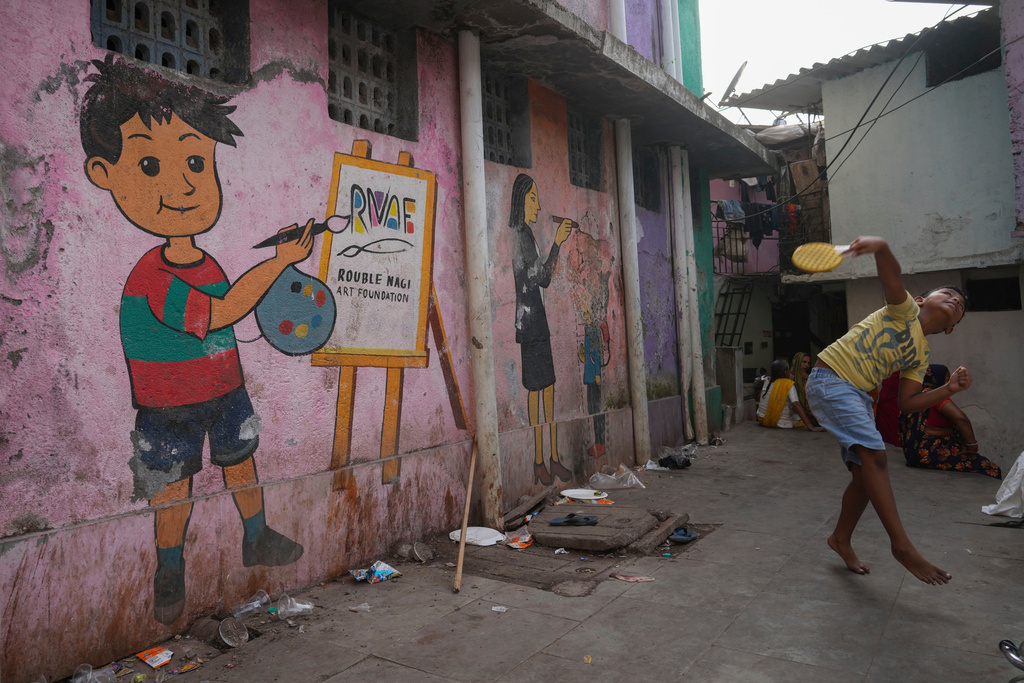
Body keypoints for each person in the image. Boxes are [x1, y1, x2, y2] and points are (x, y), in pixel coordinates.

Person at [81, 56, 312, 624]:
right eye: (151, 164)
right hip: (167, 406)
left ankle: (255, 536)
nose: (183, 183)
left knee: (241, 462)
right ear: (103, 173)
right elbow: (225, 310)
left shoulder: (204, 260)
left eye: (194, 161)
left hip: (224, 389)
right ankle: (169, 570)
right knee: (172, 488)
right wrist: (282, 263)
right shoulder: (153, 276)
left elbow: (229, 320)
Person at [805, 236, 969, 586]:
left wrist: (948, 389)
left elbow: (908, 403)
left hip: (858, 395)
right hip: (830, 379)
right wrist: (881, 247)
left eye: (959, 305)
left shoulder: (921, 356)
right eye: (949, 294)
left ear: (951, 327)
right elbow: (892, 276)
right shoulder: (904, 309)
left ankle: (840, 539)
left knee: (866, 479)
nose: (955, 300)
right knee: (876, 458)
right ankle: (902, 547)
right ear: (923, 299)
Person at [508, 173, 574, 484]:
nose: (537, 205)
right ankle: (540, 461)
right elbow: (542, 278)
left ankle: (552, 458)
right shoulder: (521, 237)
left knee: (546, 388)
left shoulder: (525, 235)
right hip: (532, 324)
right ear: (521, 201)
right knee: (538, 391)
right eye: (533, 198)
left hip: (535, 322)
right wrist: (558, 243)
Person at [898, 365, 1001, 478]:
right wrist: (971, 445)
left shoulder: (911, 398)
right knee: (992, 469)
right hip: (931, 452)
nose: (947, 383)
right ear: (938, 379)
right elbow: (961, 419)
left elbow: (924, 428)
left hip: (915, 452)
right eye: (947, 380)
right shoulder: (934, 397)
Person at [756, 359, 825, 431]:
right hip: (780, 423)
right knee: (800, 419)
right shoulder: (788, 384)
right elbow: (796, 404)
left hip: (761, 419)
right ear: (786, 372)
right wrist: (810, 427)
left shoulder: (767, 380)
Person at [791, 351, 823, 429]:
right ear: (797, 362)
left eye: (808, 363)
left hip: (810, 413)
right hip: (795, 414)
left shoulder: (808, 378)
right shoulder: (791, 377)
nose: (807, 365)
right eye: (804, 362)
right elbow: (793, 404)